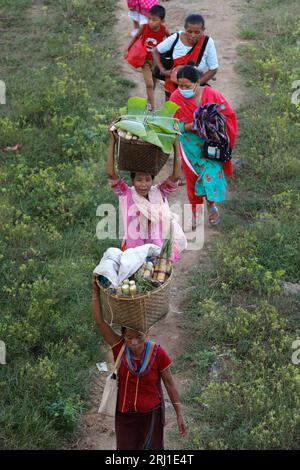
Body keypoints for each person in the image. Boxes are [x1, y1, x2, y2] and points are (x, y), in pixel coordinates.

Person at [92, 277, 187, 450]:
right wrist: (95, 292)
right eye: (129, 338)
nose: (134, 342)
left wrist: (180, 413)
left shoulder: (158, 353)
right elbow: (100, 323)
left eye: (139, 337)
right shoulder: (119, 347)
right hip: (125, 417)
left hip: (151, 417)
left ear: (147, 333)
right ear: (123, 336)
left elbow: (169, 384)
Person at [170, 65, 237, 229]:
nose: (183, 89)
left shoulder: (212, 95)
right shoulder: (175, 98)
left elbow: (227, 116)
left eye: (187, 86)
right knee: (193, 180)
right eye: (180, 85)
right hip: (190, 147)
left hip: (212, 144)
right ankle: (195, 212)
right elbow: (172, 126)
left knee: (210, 176)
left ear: (198, 82)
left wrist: (212, 124)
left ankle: (211, 205)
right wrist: (194, 125)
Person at [106, 131, 187, 261]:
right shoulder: (126, 193)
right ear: (132, 181)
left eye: (147, 180)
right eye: (139, 180)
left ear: (152, 180)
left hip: (158, 251)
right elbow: (111, 174)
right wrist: (113, 142)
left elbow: (176, 177)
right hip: (134, 252)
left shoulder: (159, 192)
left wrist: (176, 145)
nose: (143, 184)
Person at [152, 13, 219, 100]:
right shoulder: (176, 38)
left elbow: (213, 69)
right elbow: (155, 51)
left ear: (203, 30)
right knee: (173, 111)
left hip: (195, 91)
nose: (193, 36)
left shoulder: (207, 42)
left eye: (197, 32)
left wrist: (196, 85)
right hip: (172, 87)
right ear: (185, 29)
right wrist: (163, 70)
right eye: (189, 31)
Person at [125, 5, 169, 110]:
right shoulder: (144, 27)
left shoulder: (164, 30)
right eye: (149, 18)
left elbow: (171, 40)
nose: (150, 22)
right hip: (144, 60)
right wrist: (127, 49)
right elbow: (136, 37)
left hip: (156, 62)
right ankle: (151, 108)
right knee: (149, 84)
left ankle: (149, 102)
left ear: (162, 21)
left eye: (154, 20)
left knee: (152, 83)